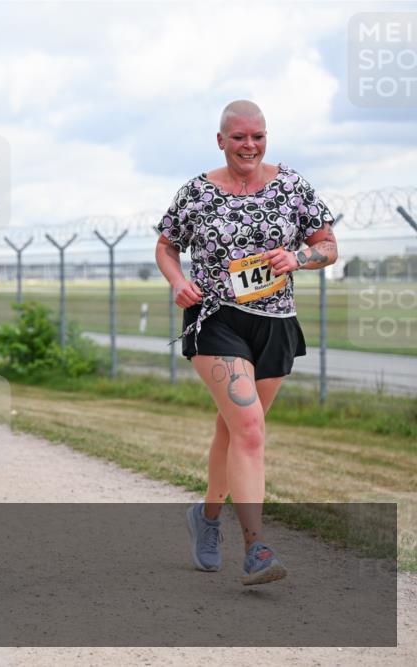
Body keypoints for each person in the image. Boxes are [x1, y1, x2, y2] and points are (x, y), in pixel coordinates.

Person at [155, 100, 338, 586]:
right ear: (221, 141)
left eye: (257, 136)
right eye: (239, 137)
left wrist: (299, 257)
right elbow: (167, 245)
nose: (249, 145)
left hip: (275, 322)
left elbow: (328, 246)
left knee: (235, 431)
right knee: (251, 427)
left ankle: (207, 517)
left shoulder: (293, 186)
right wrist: (177, 281)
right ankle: (256, 546)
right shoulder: (196, 192)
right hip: (216, 318)